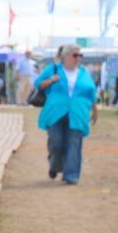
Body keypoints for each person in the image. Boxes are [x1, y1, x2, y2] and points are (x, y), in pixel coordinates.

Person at [36, 44, 99, 184]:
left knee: (74, 143)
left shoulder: (84, 72)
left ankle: (71, 175)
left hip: (78, 112)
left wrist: (95, 110)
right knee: (56, 143)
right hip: (55, 112)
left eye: (80, 55)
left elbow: (91, 92)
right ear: (65, 56)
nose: (78, 58)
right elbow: (38, 84)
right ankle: (55, 165)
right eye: (75, 55)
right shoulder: (53, 69)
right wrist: (51, 80)